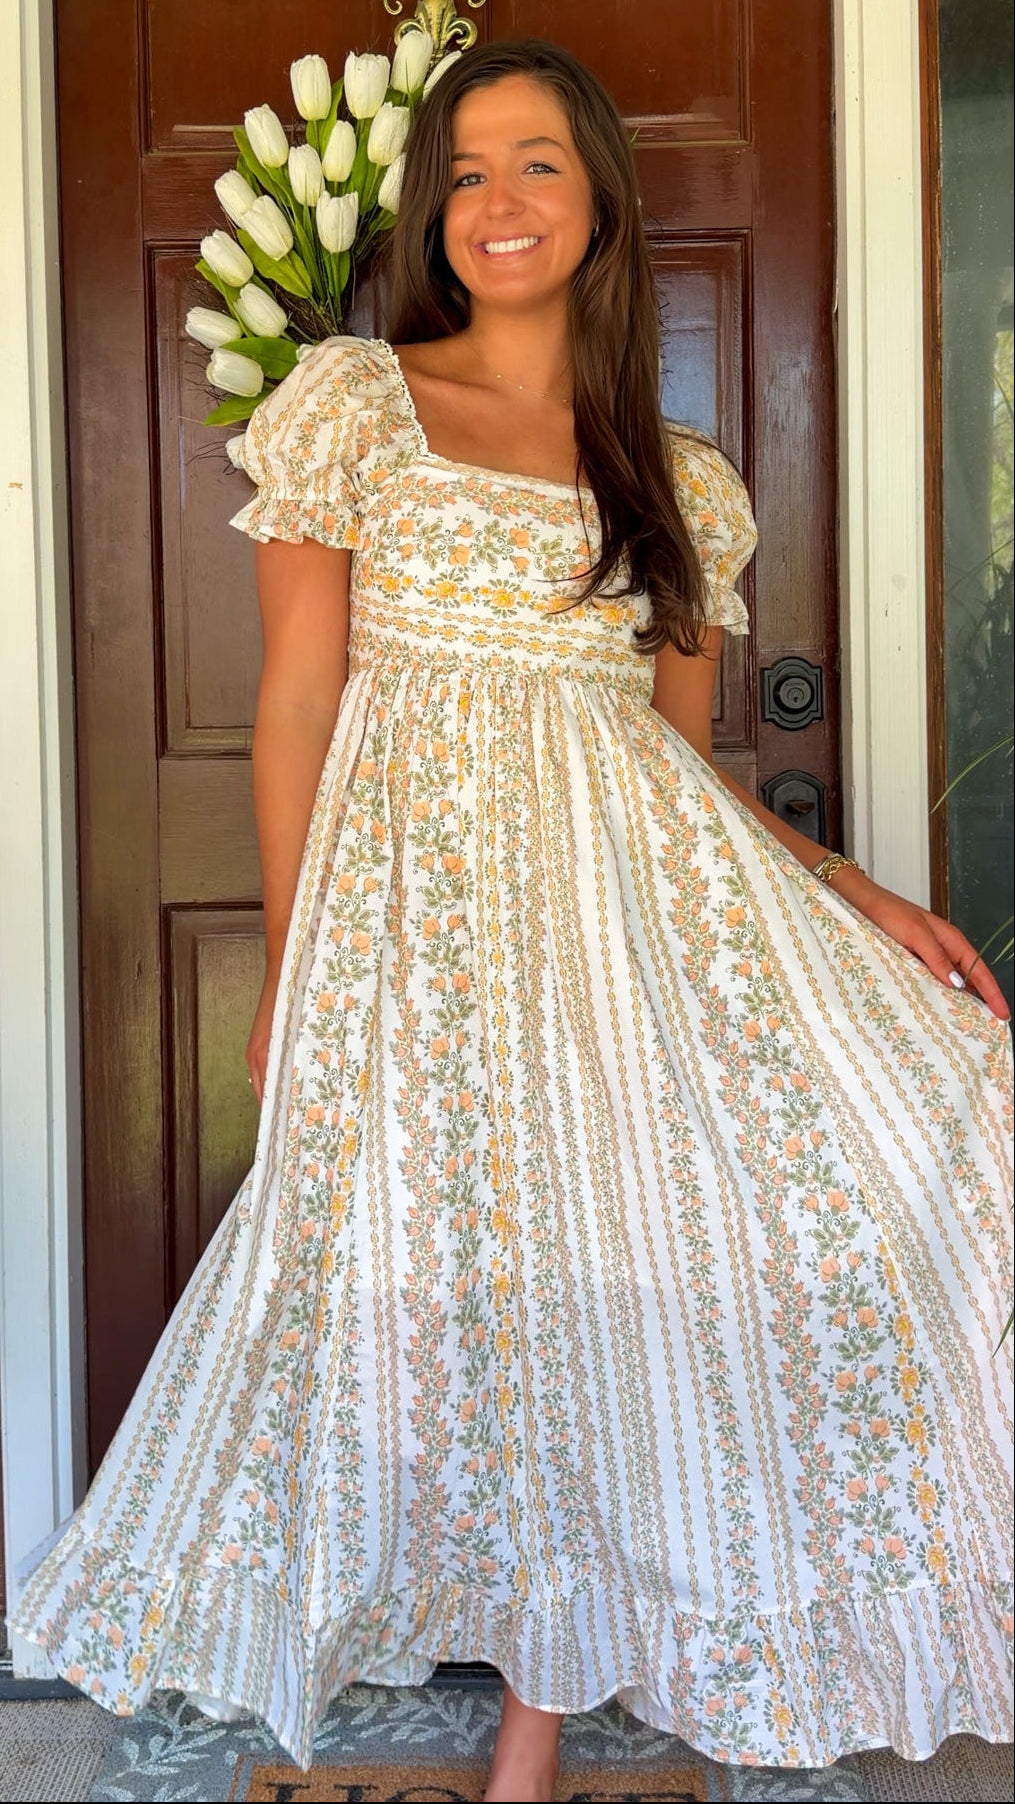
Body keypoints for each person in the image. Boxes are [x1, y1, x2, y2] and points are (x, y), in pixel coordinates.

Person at [10, 38, 1013, 1804]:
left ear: (603, 202)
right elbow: (305, 703)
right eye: (465, 172)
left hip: (626, 944)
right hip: (418, 929)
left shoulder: (673, 474)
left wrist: (854, 893)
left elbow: (682, 763)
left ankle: (532, 1753)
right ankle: (375, 1655)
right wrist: (303, 946)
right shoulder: (354, 406)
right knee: (430, 1289)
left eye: (536, 163)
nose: (497, 202)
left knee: (613, 1283)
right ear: (432, 213)